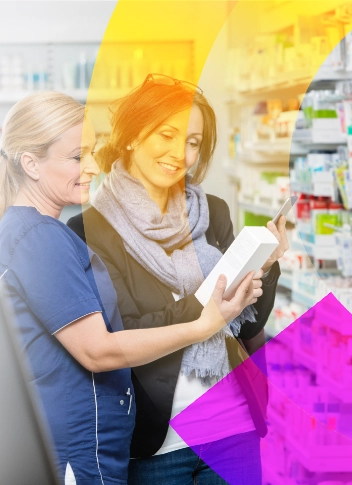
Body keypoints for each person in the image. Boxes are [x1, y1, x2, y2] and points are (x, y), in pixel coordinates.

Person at [0, 91, 262, 485]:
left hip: (101, 445)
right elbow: (98, 349)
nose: (94, 166)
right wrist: (202, 324)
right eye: (78, 157)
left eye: (92, 153)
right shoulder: (42, 237)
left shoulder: (38, 232)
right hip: (83, 451)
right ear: (31, 164)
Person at [67, 75, 289, 484]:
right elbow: (123, 333)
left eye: (192, 142)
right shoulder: (89, 230)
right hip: (155, 447)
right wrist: (209, 309)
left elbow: (247, 324)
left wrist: (266, 265)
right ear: (132, 136)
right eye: (167, 135)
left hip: (232, 430)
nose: (180, 154)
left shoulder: (213, 212)